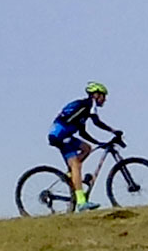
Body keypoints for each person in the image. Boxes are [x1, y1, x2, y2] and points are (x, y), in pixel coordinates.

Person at [49, 82, 123, 211]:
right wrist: (113, 131)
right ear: (96, 95)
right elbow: (97, 122)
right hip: (60, 135)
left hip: (63, 134)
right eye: (103, 96)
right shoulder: (89, 105)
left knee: (86, 148)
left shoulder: (83, 110)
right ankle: (81, 202)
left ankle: (71, 174)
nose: (105, 99)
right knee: (76, 165)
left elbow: (83, 132)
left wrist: (98, 142)